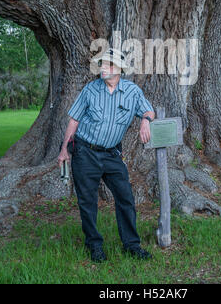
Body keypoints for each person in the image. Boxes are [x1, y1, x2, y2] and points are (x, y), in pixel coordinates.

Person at [58, 48, 155, 262]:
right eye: (102, 63)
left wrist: (145, 121)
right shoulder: (90, 90)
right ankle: (94, 245)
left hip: (112, 155)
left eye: (108, 64)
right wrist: (64, 150)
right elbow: (74, 120)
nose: (103, 67)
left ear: (119, 69)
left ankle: (131, 245)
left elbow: (148, 110)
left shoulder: (132, 92)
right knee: (87, 201)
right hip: (85, 152)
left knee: (125, 198)